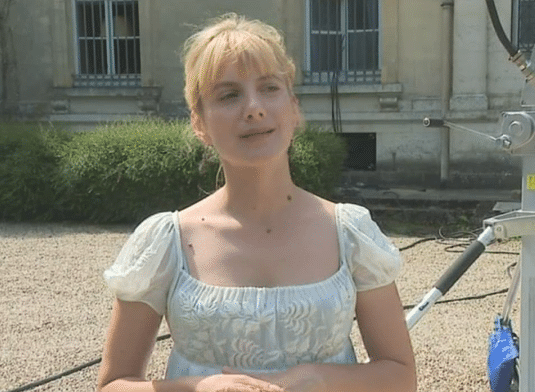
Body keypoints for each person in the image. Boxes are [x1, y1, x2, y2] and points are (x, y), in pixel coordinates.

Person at [96, 13, 416, 392]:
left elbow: (399, 375)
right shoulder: (167, 240)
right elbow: (114, 383)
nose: (254, 107)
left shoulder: (349, 233)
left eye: (269, 88)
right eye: (229, 95)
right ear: (200, 123)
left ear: (293, 107)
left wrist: (313, 378)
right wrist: (200, 389)